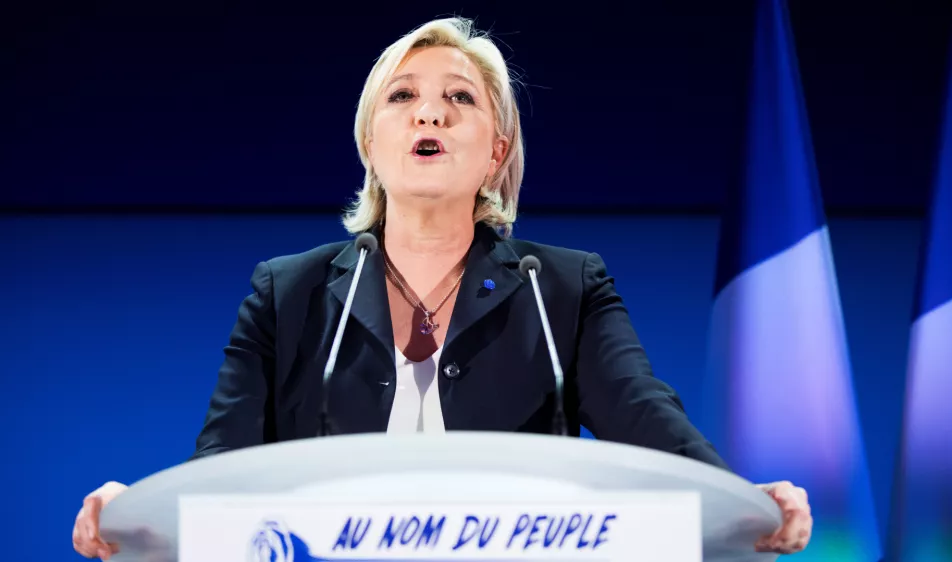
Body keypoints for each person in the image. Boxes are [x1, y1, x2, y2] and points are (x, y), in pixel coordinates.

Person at [71, 17, 813, 560]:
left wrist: (744, 499)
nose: (429, 112)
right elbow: (219, 466)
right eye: (402, 98)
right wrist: (134, 512)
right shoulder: (287, 294)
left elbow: (649, 420)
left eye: (459, 97)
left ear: (496, 150)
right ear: (370, 143)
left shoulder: (560, 288)